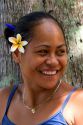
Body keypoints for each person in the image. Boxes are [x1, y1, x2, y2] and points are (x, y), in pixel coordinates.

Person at [0, 11, 83, 125]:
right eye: (43, 52)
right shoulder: (3, 100)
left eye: (60, 52)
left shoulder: (78, 104)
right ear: (17, 54)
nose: (53, 61)